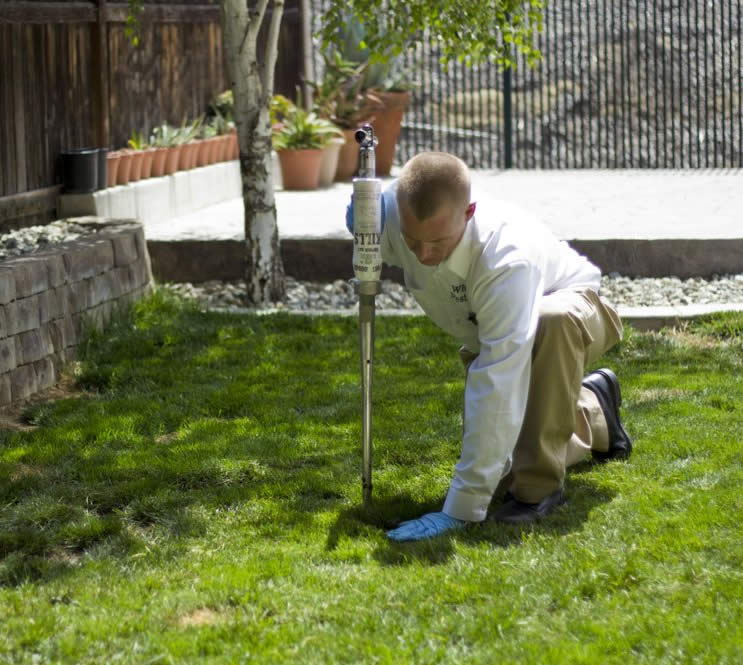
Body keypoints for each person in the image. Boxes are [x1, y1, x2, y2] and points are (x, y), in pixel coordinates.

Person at [346, 152, 632, 542]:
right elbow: (383, 244)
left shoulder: (506, 259)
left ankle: (539, 490)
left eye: (438, 242)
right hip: (490, 332)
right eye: (413, 241)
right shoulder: (395, 213)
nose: (424, 255)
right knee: (507, 454)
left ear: (469, 212)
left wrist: (460, 511)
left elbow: (499, 380)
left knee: (548, 326)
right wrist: (364, 225)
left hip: (573, 310)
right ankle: (594, 408)